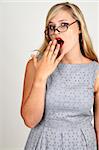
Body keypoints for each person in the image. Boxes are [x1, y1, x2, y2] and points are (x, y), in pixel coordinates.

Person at [20, 2, 99, 150]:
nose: (56, 32)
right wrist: (41, 77)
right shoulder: (35, 65)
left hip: (82, 144)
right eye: (51, 27)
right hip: (43, 143)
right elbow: (30, 120)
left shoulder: (95, 71)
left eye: (63, 24)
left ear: (80, 28)